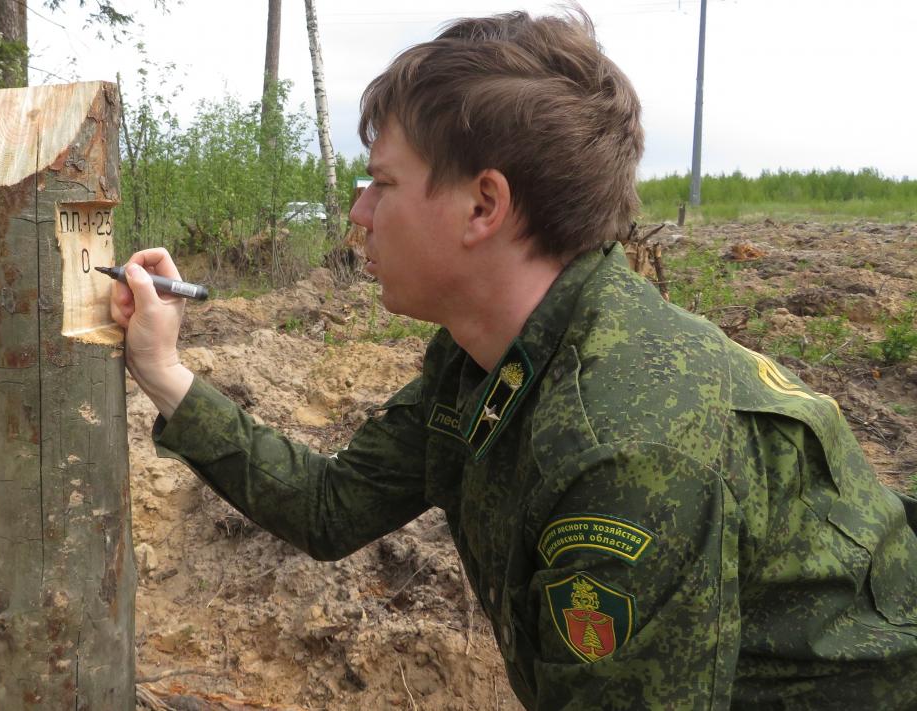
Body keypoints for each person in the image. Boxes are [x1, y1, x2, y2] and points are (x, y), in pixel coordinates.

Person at [111, 9, 917, 709]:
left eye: (382, 182)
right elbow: (333, 506)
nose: (358, 212)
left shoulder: (623, 448)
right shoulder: (482, 360)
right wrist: (164, 371)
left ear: (484, 206)